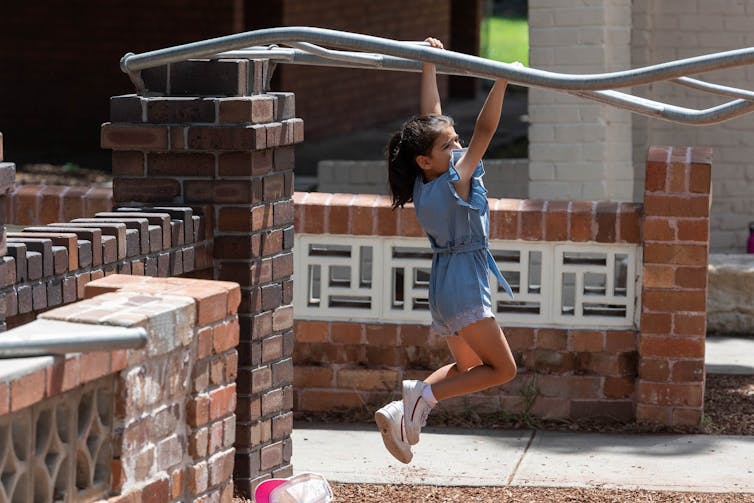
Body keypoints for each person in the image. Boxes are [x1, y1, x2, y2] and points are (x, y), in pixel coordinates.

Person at [374, 38, 519, 463]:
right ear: (425, 160)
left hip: (444, 281)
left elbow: (430, 121)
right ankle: (418, 402)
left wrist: (429, 63)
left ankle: (409, 408)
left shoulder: (424, 182)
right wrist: (505, 77)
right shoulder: (455, 178)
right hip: (463, 281)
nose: (456, 147)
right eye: (448, 146)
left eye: (456, 142)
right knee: (503, 369)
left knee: (469, 366)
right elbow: (487, 130)